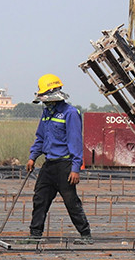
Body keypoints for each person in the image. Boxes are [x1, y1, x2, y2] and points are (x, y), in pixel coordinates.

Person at [24, 74, 92, 244]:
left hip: (65, 165)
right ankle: (35, 234)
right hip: (49, 165)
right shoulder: (47, 113)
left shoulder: (70, 113)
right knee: (40, 198)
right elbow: (40, 137)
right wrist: (33, 157)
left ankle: (85, 234)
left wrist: (76, 168)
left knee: (71, 201)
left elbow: (75, 142)